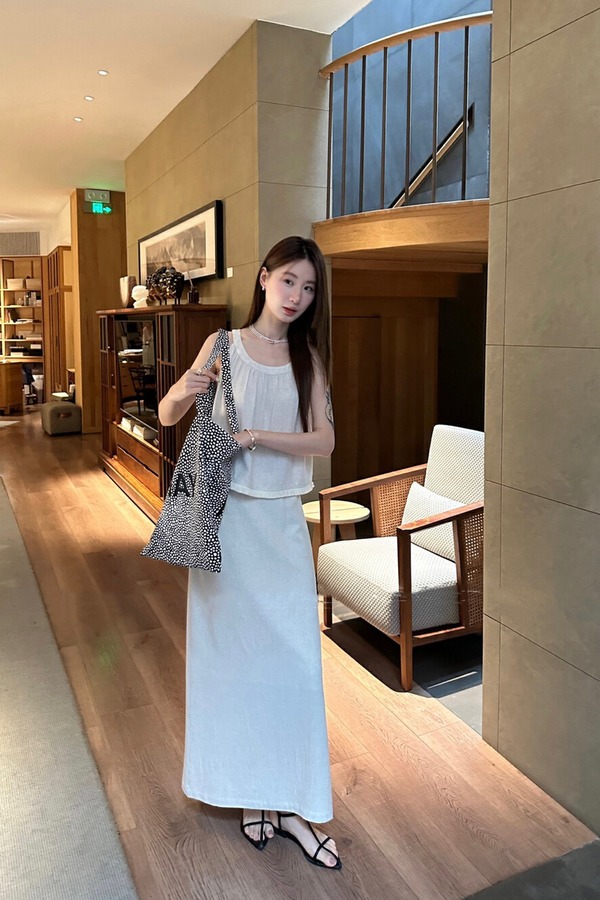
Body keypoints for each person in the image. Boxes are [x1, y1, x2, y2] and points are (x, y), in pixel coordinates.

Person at [158, 236, 341, 870]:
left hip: (282, 527)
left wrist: (257, 435)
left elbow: (324, 441)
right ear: (264, 278)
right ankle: (248, 795)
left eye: (309, 288)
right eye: (289, 281)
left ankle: (292, 801)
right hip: (228, 525)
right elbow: (167, 414)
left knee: (295, 665)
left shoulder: (307, 359)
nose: (297, 297)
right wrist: (187, 386)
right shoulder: (222, 346)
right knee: (230, 663)